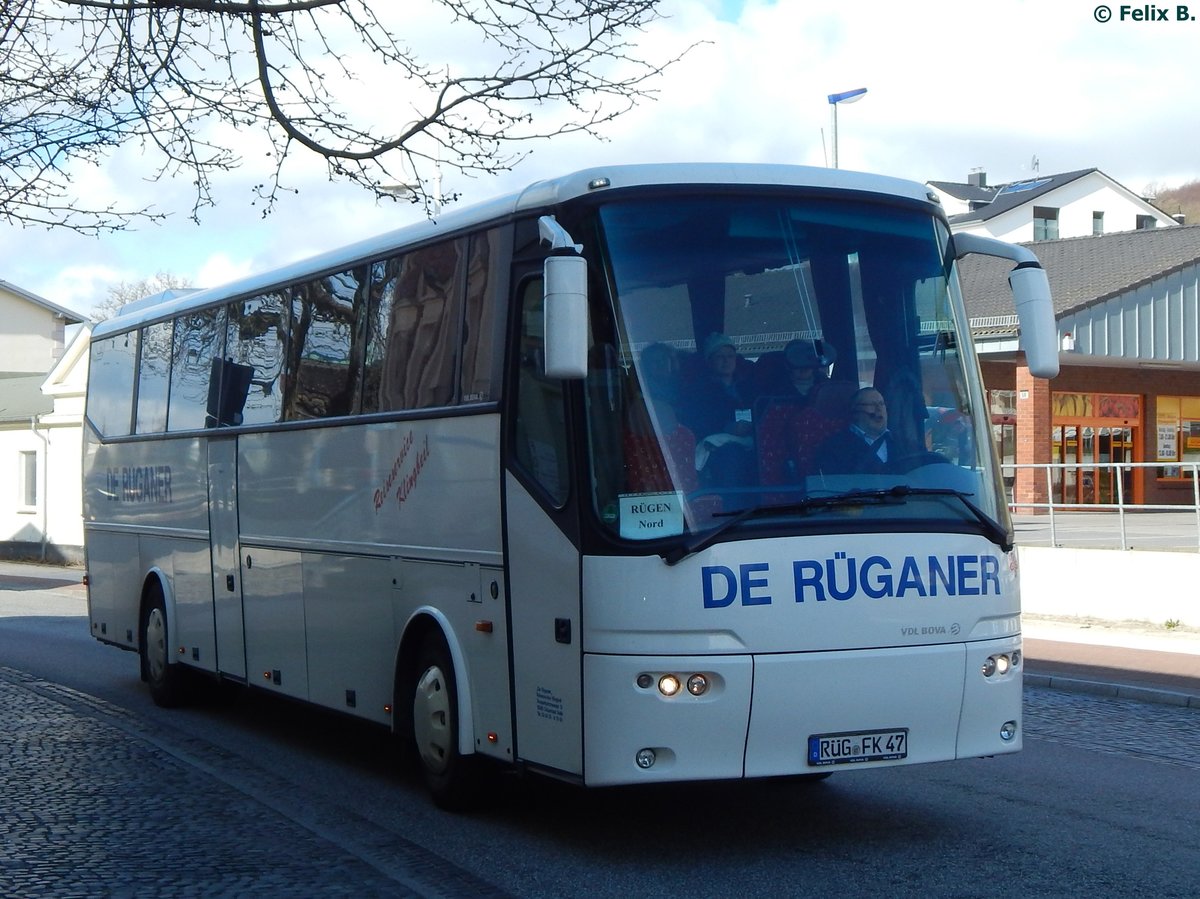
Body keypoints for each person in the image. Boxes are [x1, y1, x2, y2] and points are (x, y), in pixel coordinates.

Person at [679, 332, 755, 486]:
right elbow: (694, 422)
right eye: (720, 357)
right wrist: (726, 427)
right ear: (709, 361)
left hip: (755, 439)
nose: (726, 361)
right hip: (721, 451)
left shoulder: (750, 386)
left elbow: (764, 410)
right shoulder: (697, 391)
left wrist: (754, 426)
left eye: (730, 356)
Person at [814, 387, 897, 475]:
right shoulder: (833, 447)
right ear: (855, 412)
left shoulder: (903, 443)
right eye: (871, 404)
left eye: (881, 404)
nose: (879, 409)